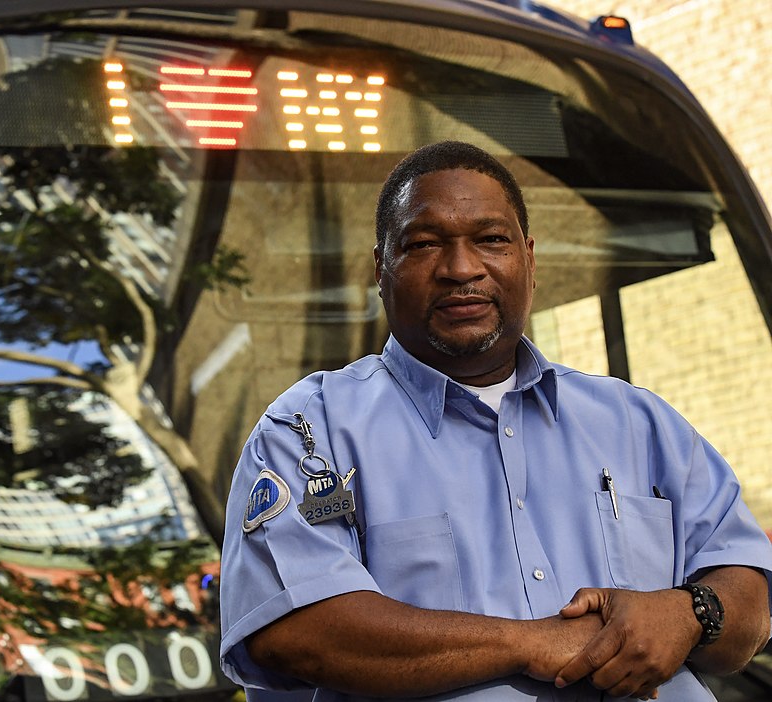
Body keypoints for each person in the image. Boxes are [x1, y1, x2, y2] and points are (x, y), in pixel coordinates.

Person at [218, 141, 772, 701]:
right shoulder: (309, 432)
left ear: (528, 259)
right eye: (425, 243)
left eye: (490, 240)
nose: (461, 269)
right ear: (381, 269)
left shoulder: (638, 422)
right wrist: (531, 643)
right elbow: (296, 633)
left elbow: (750, 602)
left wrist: (689, 613)